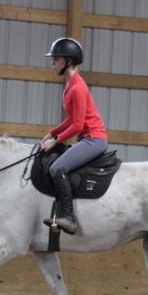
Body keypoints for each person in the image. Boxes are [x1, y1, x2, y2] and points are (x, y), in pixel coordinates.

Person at [39, 37, 108, 234]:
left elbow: (78, 125)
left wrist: (55, 142)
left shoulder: (77, 88)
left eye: (56, 60)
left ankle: (69, 217)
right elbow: (72, 119)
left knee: (57, 167)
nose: (52, 64)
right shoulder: (70, 85)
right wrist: (51, 133)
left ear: (68, 61)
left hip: (94, 139)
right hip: (87, 138)